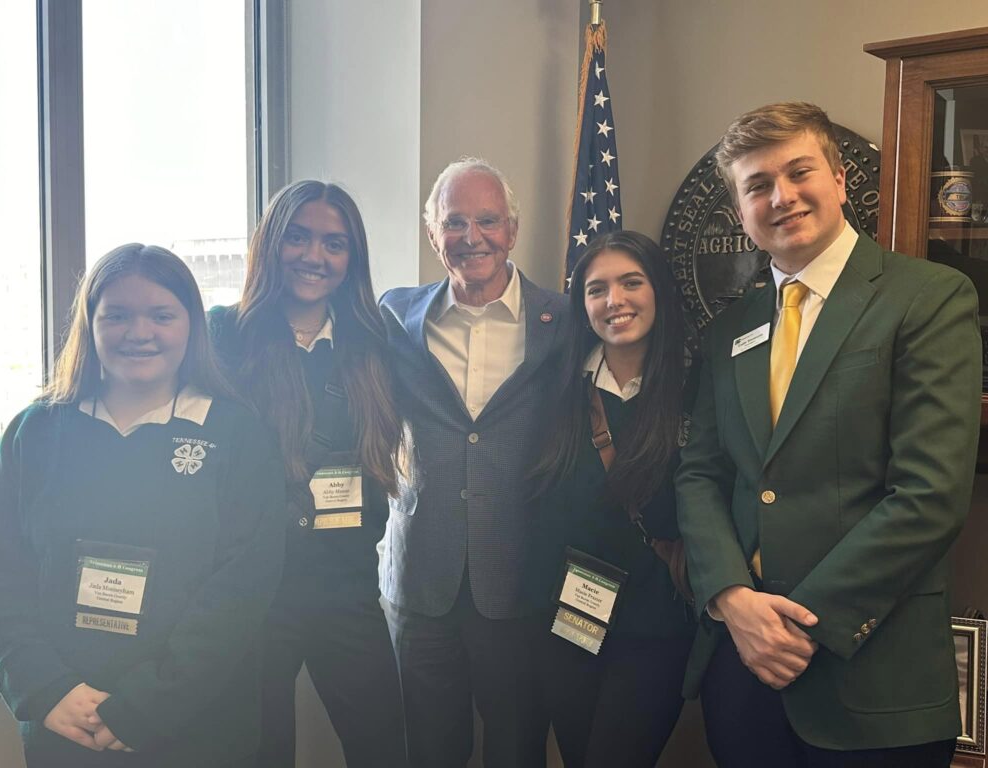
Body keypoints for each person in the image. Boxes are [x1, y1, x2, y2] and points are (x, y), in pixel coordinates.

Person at [675, 102, 982, 767]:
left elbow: (929, 494)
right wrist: (733, 600)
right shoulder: (730, 331)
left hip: (873, 676)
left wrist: (795, 623)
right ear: (742, 208)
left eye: (798, 171)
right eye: (757, 186)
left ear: (839, 179)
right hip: (744, 669)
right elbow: (701, 473)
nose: (781, 196)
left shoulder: (928, 298)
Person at [0, 244, 286, 768]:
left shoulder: (237, 437)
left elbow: (241, 591)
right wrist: (46, 689)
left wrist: (152, 704)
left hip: (197, 726)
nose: (140, 333)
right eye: (116, 315)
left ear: (192, 325)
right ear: (88, 324)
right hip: (66, 724)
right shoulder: (35, 433)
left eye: (162, 315)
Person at [207, 180, 407, 768]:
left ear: (352, 259)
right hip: (253, 592)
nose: (314, 256)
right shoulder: (223, 337)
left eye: (334, 243)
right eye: (297, 237)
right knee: (260, 751)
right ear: (270, 244)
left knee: (383, 746)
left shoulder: (375, 342)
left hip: (345, 587)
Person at [380, 157, 569, 768]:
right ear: (432, 233)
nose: (471, 237)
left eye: (487, 221)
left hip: (519, 580)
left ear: (512, 230)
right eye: (454, 222)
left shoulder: (562, 322)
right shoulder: (395, 318)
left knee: (517, 749)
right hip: (420, 581)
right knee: (429, 749)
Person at [528, 230, 696, 767]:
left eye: (631, 282)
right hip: (572, 621)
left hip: (658, 627)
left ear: (659, 291)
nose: (614, 301)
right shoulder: (556, 389)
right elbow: (540, 511)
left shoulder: (698, 385)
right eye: (596, 289)